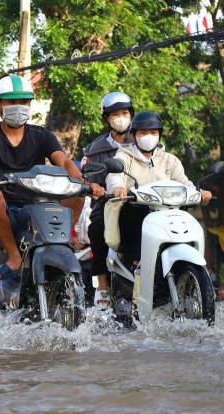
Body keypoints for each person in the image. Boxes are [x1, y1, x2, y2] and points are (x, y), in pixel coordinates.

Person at [0, 75, 101, 280]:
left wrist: (84, 183)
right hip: (5, 210)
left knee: (77, 194)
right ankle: (14, 257)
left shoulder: (42, 135)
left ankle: (60, 243)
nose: (18, 106)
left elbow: (65, 163)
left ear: (30, 104)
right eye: (11, 102)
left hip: (38, 207)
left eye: (23, 101)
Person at [106, 112, 212, 256]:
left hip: (168, 211)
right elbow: (114, 175)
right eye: (143, 132)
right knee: (132, 213)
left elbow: (183, 182)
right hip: (137, 210)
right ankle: (137, 260)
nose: (148, 136)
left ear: (159, 135)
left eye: (153, 132)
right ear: (133, 135)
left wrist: (198, 193)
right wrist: (117, 188)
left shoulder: (170, 160)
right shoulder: (124, 156)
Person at [83, 92, 135, 308]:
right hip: (109, 204)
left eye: (125, 113)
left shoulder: (144, 141)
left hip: (142, 203)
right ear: (106, 119)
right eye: (115, 114)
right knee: (97, 229)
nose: (121, 118)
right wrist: (95, 189)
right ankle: (102, 285)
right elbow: (88, 179)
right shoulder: (96, 149)